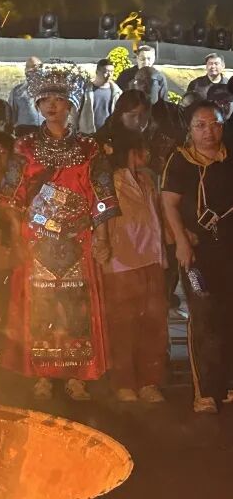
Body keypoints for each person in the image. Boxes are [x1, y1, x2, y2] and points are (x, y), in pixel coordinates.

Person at [0, 62, 117, 402]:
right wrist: (13, 237)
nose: (52, 106)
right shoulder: (24, 148)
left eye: (59, 100)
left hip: (79, 239)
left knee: (76, 308)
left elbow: (103, 196)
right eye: (45, 100)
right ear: (37, 106)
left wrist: (103, 239)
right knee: (40, 306)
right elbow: (9, 197)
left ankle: (77, 375)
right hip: (35, 241)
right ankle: (42, 375)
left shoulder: (89, 149)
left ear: (71, 106)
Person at [160, 101, 233, 413]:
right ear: (189, 130)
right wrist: (181, 242)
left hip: (228, 248)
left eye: (214, 124)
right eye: (200, 126)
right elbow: (170, 204)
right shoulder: (181, 161)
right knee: (203, 316)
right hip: (197, 252)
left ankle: (227, 384)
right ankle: (204, 391)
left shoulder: (229, 157)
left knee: (228, 314)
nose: (209, 132)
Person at [98, 130, 167, 403]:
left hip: (150, 257)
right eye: (140, 151)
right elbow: (101, 217)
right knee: (123, 323)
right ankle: (124, 381)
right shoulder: (110, 182)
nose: (146, 156)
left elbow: (157, 214)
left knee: (153, 321)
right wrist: (102, 246)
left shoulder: (148, 179)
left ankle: (150, 381)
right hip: (121, 260)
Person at [78, 58, 122, 134]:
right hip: (88, 134)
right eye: (105, 72)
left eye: (111, 72)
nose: (109, 75)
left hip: (108, 134)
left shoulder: (117, 92)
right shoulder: (85, 90)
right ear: (97, 72)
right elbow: (75, 111)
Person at [7, 57, 44, 131]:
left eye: (39, 67)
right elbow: (11, 117)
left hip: (46, 133)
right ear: (26, 70)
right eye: (32, 67)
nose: (35, 70)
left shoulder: (49, 90)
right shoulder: (17, 92)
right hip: (24, 133)